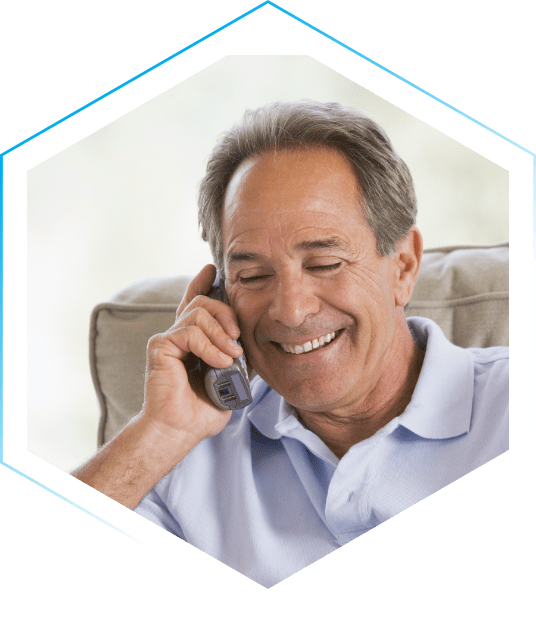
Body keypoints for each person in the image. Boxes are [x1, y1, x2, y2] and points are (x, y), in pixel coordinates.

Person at [73, 101, 509, 588]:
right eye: (253, 275)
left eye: (324, 264)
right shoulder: (184, 460)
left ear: (403, 266)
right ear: (221, 292)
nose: (291, 310)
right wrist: (162, 432)